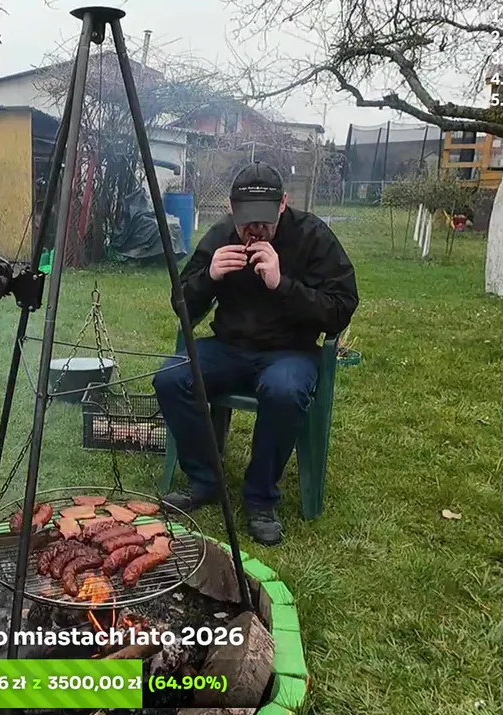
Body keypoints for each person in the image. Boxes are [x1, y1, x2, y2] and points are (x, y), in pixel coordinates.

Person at [153, 162, 358, 546]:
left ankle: (261, 498)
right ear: (231, 208)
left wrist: (283, 284)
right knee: (171, 378)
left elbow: (341, 308)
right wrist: (209, 277)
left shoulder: (313, 236)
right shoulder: (221, 236)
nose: (255, 230)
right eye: (247, 220)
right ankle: (205, 479)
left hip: (290, 351)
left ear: (283, 204)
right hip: (229, 348)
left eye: (264, 220)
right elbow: (182, 305)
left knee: (284, 391)